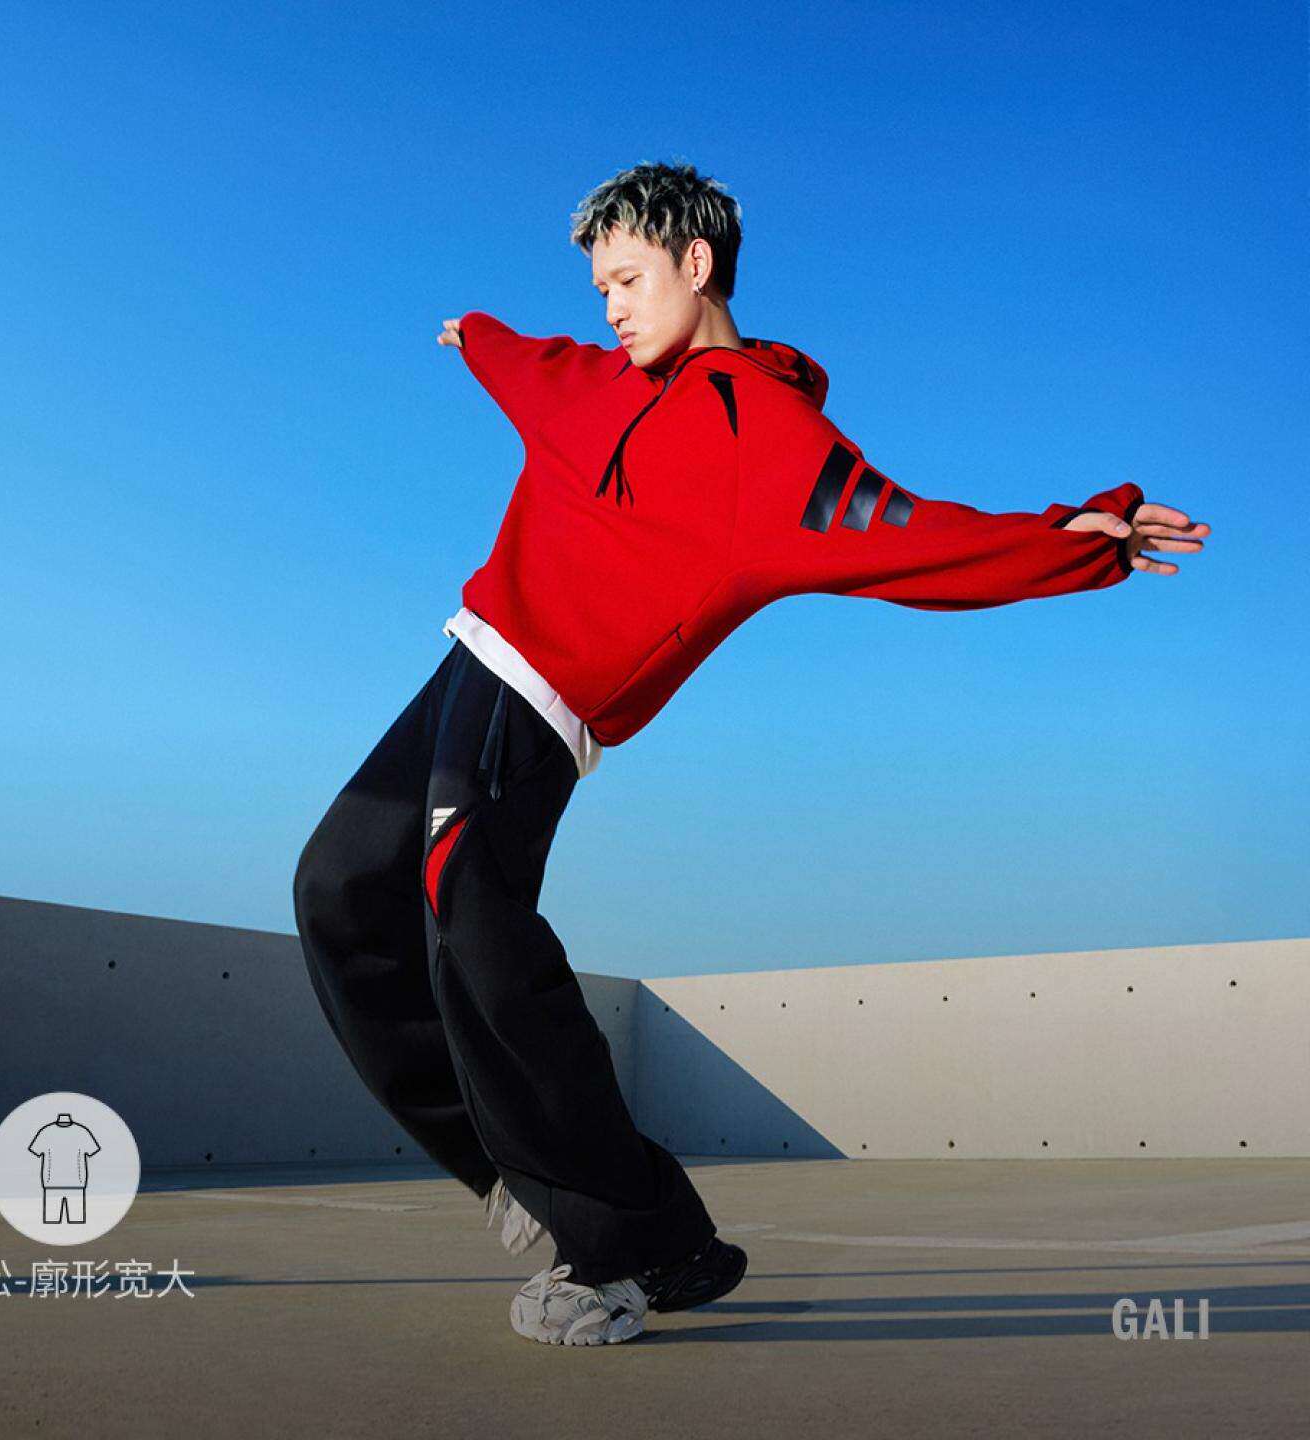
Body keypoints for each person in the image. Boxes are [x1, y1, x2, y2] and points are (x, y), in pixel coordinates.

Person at [292, 160, 1209, 1348]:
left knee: (473, 919)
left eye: (629, 280)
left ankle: (629, 1247)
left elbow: (909, 536)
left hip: (541, 708)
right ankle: (513, 1170)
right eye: (598, 286)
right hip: (465, 664)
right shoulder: (592, 381)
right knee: (336, 887)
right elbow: (523, 359)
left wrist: (1072, 540)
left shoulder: (762, 435)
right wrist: (473, 332)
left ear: (697, 263)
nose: (611, 308)